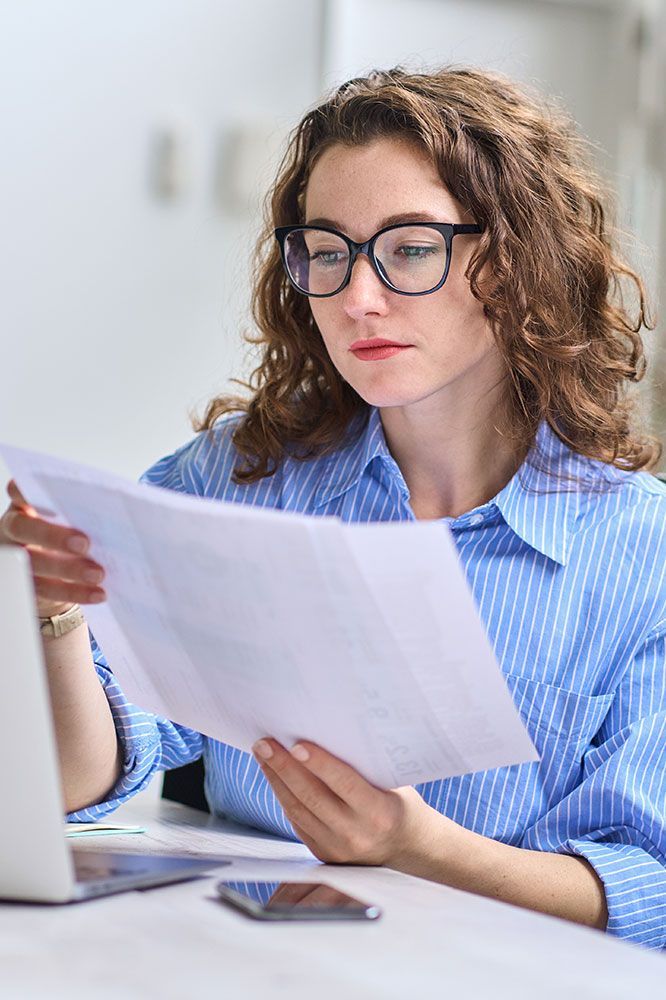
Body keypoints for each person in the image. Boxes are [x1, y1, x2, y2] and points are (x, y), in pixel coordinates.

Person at [2, 67, 665, 949]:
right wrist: (52, 619)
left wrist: (418, 847)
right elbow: (84, 782)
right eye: (326, 249)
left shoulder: (642, 549)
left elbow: (647, 891)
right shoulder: (237, 475)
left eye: (411, 247)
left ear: (512, 264)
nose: (357, 297)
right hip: (234, 962)